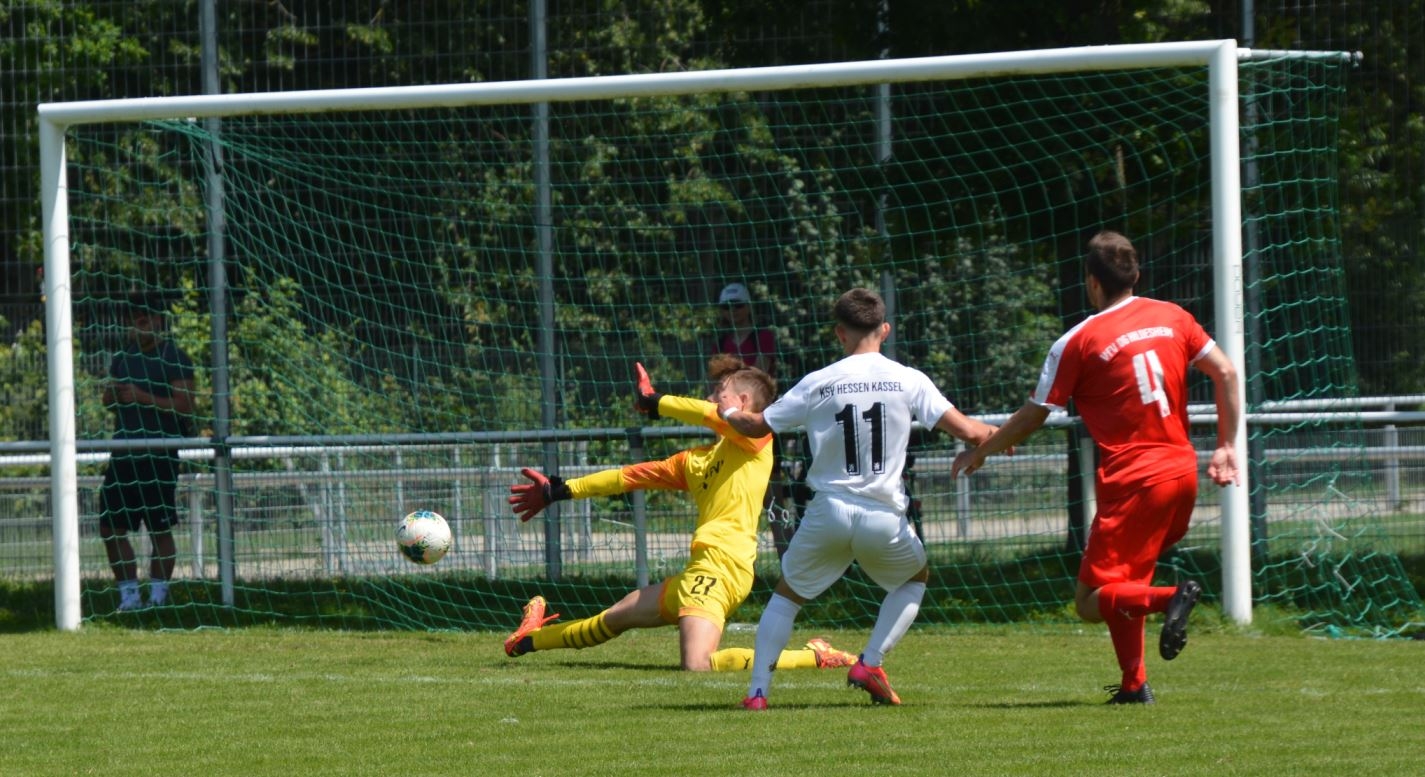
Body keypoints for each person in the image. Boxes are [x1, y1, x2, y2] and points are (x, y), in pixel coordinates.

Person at [950, 230, 1241, 704]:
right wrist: (1226, 445)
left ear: (1092, 282)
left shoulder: (1079, 340)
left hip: (1134, 481)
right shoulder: (1174, 316)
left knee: (1088, 602)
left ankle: (1171, 599)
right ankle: (1134, 685)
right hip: (1181, 472)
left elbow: (1035, 414)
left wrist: (982, 449)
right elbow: (1226, 372)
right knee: (1125, 585)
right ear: (1136, 275)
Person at [720, 287, 999, 709]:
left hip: (828, 512)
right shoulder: (909, 379)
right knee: (914, 579)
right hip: (883, 515)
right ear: (884, 330)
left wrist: (726, 410)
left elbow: (756, 425)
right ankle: (869, 663)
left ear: (839, 333)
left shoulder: (818, 382)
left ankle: (757, 694)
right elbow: (971, 431)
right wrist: (999, 439)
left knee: (786, 597)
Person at [502, 355, 857, 673]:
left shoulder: (755, 441)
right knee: (613, 619)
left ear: (743, 403)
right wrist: (559, 490)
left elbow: (710, 415)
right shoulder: (695, 461)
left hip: (722, 570)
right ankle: (529, 639)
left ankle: (813, 656)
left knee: (697, 664)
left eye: (719, 393)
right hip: (697, 571)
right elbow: (628, 476)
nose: (710, 398)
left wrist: (655, 401)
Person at [99, 291, 197, 611]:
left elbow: (186, 404)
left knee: (159, 528)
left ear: (159, 320)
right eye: (133, 318)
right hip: (124, 454)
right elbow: (108, 401)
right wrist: (113, 395)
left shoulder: (175, 357)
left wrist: (143, 397)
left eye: (146, 317)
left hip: (158, 455)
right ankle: (129, 597)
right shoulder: (122, 358)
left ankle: (158, 598)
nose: (139, 322)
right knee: (110, 527)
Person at [712, 281, 796, 558]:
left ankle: (788, 565)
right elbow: (719, 387)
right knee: (732, 501)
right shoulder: (719, 342)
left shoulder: (763, 337)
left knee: (773, 499)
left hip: (760, 426)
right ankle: (734, 565)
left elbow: (757, 379)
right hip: (730, 429)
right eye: (727, 306)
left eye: (737, 305)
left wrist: (729, 393)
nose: (732, 311)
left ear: (748, 307)